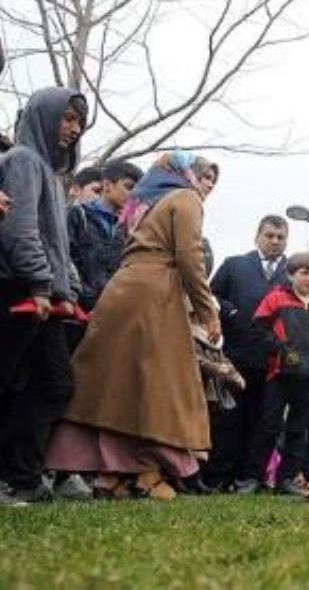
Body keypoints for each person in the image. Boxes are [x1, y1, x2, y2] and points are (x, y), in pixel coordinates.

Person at [44, 153, 221, 501]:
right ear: (186, 174)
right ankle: (148, 473)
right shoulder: (185, 199)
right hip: (156, 293)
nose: (205, 185)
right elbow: (190, 256)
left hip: (121, 290)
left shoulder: (140, 205)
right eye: (202, 176)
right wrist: (206, 310)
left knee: (118, 386)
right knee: (162, 387)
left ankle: (112, 475)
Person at [0, 88, 86, 505]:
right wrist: (40, 284)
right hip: (20, 291)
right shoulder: (21, 161)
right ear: (42, 116)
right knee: (11, 382)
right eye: (66, 118)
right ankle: (17, 477)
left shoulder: (51, 174)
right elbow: (20, 232)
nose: (73, 129)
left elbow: (58, 245)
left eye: (78, 122)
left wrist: (66, 289)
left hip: (46, 298)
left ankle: (23, 476)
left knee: (54, 383)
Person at [204, 215, 291, 493]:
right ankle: (219, 476)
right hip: (237, 355)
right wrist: (229, 311)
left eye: (280, 237)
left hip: (273, 361)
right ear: (257, 236)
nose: (275, 241)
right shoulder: (235, 264)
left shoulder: (293, 272)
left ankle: (249, 477)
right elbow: (210, 295)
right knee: (229, 417)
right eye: (270, 235)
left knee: (263, 421)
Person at [238, 253, 309, 495]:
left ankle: (287, 479)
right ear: (291, 274)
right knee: (268, 426)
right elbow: (259, 329)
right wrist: (280, 350)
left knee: (298, 430)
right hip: (279, 374)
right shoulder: (276, 299)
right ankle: (252, 478)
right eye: (304, 273)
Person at [67, 161, 143, 312]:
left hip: (108, 312)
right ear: (107, 185)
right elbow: (65, 259)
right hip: (74, 309)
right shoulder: (77, 214)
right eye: (129, 187)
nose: (133, 195)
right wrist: (81, 297)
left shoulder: (123, 230)